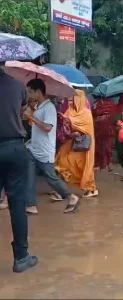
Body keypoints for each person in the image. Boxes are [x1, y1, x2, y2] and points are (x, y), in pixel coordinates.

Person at [0, 65, 38, 273]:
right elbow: (22, 109)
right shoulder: (18, 86)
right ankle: (21, 257)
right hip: (14, 147)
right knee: (17, 205)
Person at [24, 79, 79, 214]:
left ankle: (71, 197)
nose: (29, 94)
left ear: (38, 92)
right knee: (28, 175)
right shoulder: (39, 107)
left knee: (51, 178)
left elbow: (48, 127)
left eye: (31, 92)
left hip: (44, 151)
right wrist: (32, 113)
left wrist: (32, 117)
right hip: (34, 149)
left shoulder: (49, 108)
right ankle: (30, 204)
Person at [55, 90, 98, 198]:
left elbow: (87, 130)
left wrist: (74, 128)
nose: (70, 102)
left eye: (73, 99)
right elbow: (65, 124)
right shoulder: (69, 111)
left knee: (84, 166)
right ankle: (62, 191)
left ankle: (91, 188)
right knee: (63, 163)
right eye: (70, 100)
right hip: (72, 144)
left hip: (84, 147)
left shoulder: (86, 113)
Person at [92, 97, 117, 172]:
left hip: (109, 129)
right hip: (99, 129)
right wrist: (95, 108)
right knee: (98, 148)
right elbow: (94, 114)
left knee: (108, 147)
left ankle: (108, 163)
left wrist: (106, 117)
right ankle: (99, 164)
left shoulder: (111, 103)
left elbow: (114, 115)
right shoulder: (97, 103)